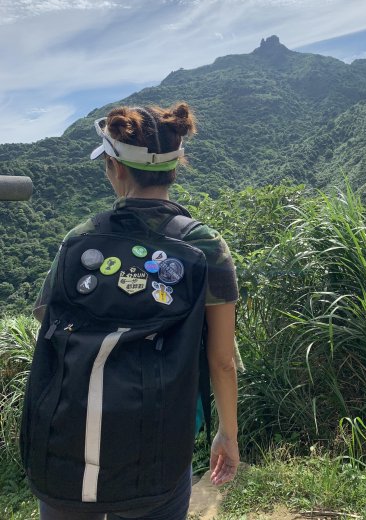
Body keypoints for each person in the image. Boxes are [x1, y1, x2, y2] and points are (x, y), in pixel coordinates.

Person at [28, 102, 240, 520]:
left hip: (64, 446)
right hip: (159, 446)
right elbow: (222, 361)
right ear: (176, 166)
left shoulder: (80, 239)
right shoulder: (205, 246)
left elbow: (45, 318)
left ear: (115, 168)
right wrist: (227, 434)